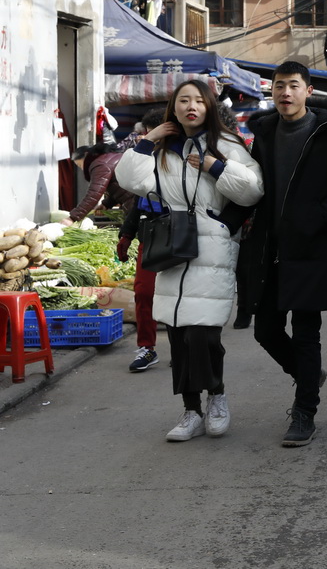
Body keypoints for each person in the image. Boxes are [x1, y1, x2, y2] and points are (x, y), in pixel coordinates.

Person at [114, 78, 264, 441]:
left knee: (204, 335)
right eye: (183, 100)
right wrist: (148, 141)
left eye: (198, 100)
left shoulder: (227, 143)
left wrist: (215, 166)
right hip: (172, 250)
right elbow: (132, 181)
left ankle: (217, 396)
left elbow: (253, 190)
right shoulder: (162, 146)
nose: (190, 106)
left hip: (211, 249)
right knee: (179, 337)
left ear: (209, 106)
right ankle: (191, 409)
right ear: (174, 107)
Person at [242, 61, 327, 448]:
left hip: (310, 249)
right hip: (269, 249)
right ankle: (307, 374)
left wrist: (315, 219)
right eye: (279, 86)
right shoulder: (264, 133)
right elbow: (254, 186)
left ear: (308, 91)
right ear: (272, 91)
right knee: (265, 329)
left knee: (307, 334)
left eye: (293, 86)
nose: (285, 93)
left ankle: (304, 411)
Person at [115, 108, 167, 372]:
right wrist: (126, 234)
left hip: (182, 235)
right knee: (144, 292)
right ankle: (147, 348)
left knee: (178, 293)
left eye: (152, 134)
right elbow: (139, 202)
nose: (147, 138)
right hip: (150, 236)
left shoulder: (186, 158)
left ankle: (184, 346)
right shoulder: (143, 161)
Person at [62, 142, 128, 225]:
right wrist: (106, 204)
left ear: (86, 155)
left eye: (79, 165)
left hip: (136, 202)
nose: (82, 169)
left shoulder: (100, 164)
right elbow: (119, 188)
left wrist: (72, 218)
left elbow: (93, 194)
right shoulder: (109, 157)